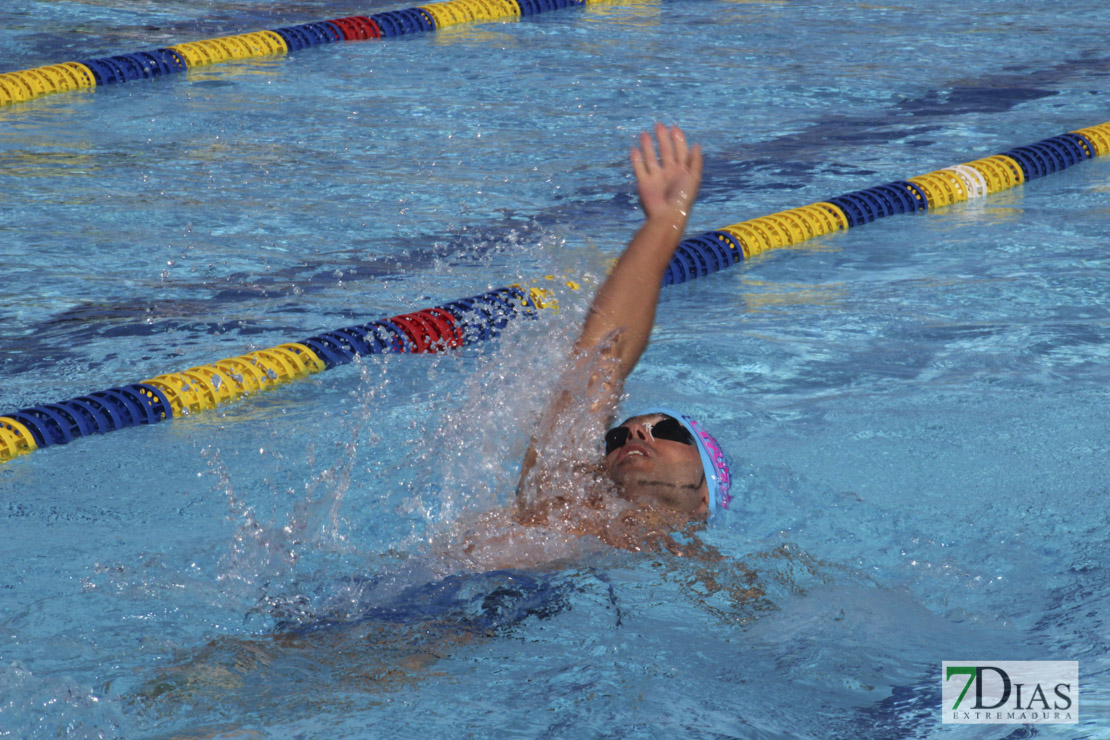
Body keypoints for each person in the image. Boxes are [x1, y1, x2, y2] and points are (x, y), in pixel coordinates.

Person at [498, 123, 732, 557]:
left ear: (706, 496)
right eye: (615, 438)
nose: (634, 433)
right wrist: (664, 222)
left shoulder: (704, 572)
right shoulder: (559, 494)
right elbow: (602, 355)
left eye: (668, 429)